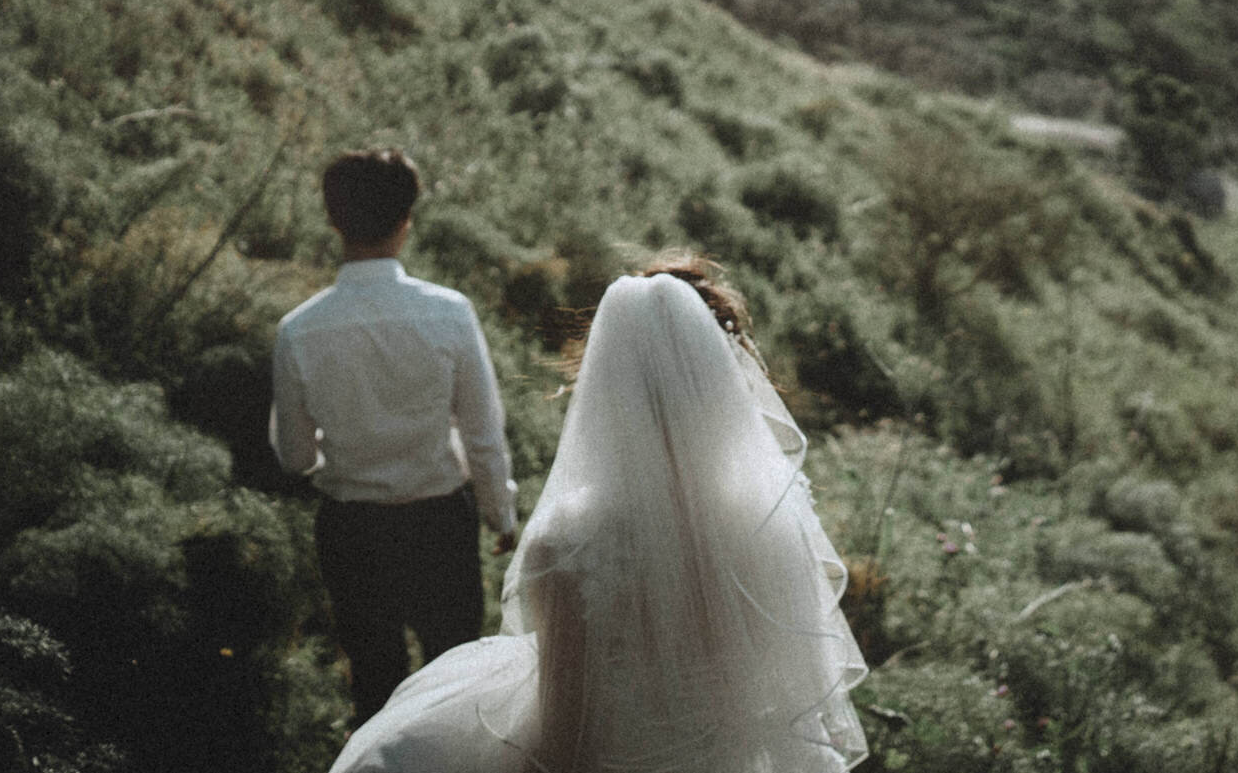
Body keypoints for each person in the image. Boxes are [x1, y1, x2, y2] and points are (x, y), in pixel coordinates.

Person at [330, 255, 868, 773]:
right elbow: (788, 699)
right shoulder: (772, 519)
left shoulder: (572, 544)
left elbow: (565, 743)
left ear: (606, 389)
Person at [272, 148, 521, 726]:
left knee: (376, 687)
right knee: (457, 684)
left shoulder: (299, 330)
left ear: (333, 221)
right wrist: (500, 515)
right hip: (439, 522)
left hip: (352, 530)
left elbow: (294, 455)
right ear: (406, 222)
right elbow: (483, 432)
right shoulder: (449, 313)